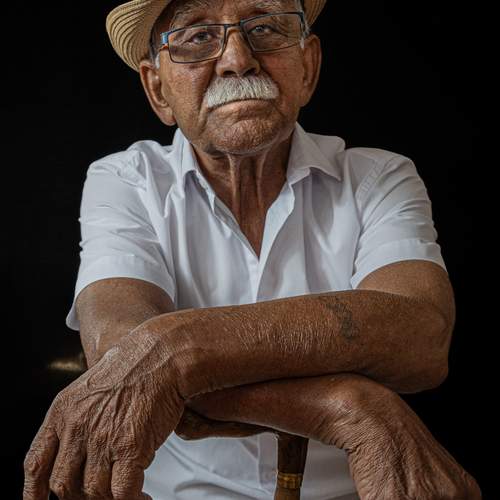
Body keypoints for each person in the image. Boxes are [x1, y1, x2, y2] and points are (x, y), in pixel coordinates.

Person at [23, 0, 482, 499]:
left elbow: (420, 333)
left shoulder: (378, 177)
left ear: (308, 66)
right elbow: (119, 352)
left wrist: (172, 354)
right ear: (157, 89)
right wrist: (346, 405)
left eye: (265, 27)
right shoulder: (126, 180)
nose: (237, 59)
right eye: (197, 37)